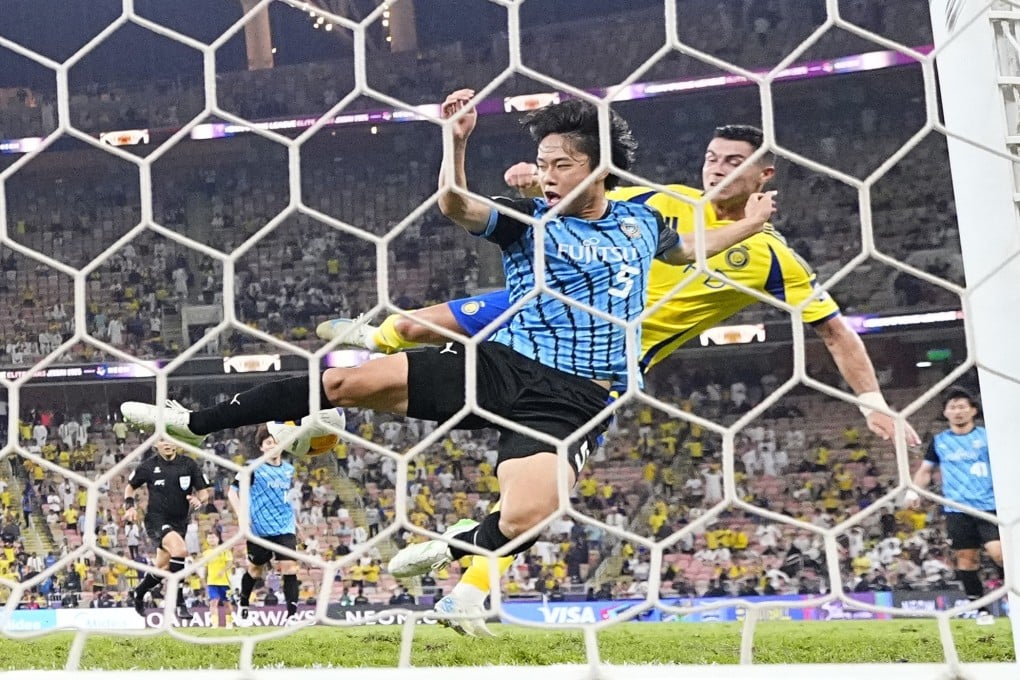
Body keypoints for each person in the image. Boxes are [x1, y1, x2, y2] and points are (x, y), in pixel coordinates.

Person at [120, 92, 771, 589]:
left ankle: (456, 548)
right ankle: (194, 423)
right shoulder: (528, 218)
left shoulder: (639, 222)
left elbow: (688, 249)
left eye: (560, 165)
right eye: (542, 164)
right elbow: (457, 206)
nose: (546, 176)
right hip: (501, 363)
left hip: (570, 398)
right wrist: (455, 142)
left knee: (527, 516)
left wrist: (749, 227)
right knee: (348, 380)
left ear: (598, 168)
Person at [326, 124, 921, 634]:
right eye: (711, 157)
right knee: (415, 325)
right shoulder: (662, 201)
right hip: (544, 309)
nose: (716, 169)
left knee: (538, 499)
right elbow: (587, 196)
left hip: (602, 367)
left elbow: (835, 332)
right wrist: (538, 184)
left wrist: (872, 400)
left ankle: (463, 582)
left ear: (764, 176)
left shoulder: (771, 257)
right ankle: (350, 362)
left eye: (733, 163)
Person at [906, 387, 1000, 625]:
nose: (957, 411)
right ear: (946, 413)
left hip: (989, 506)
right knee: (966, 559)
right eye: (952, 407)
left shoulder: (987, 437)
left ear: (973, 411)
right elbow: (926, 470)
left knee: (1000, 554)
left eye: (962, 406)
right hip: (957, 509)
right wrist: (914, 491)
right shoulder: (940, 442)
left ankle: (1011, 596)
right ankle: (981, 609)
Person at [124, 439, 211, 620]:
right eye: (162, 440)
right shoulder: (149, 466)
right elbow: (130, 487)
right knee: (180, 550)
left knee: (163, 567)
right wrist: (130, 506)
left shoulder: (188, 464)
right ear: (156, 444)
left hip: (180, 521)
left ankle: (139, 593)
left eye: (171, 440)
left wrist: (199, 500)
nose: (167, 444)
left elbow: (204, 493)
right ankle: (179, 603)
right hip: (156, 520)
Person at [228, 424, 304, 626]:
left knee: (290, 567)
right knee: (255, 570)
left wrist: (296, 523)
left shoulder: (289, 470)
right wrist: (241, 516)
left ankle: (292, 615)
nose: (273, 446)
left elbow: (285, 498)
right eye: (268, 442)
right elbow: (232, 492)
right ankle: (243, 603)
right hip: (259, 530)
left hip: (284, 527)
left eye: (276, 442)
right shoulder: (251, 468)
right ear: (262, 447)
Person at [203, 532, 234, 628]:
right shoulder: (206, 553)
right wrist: (204, 579)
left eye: (213, 537)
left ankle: (229, 623)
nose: (211, 539)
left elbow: (229, 563)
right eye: (209, 538)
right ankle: (214, 624)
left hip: (225, 582)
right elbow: (206, 567)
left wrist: (222, 571)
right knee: (213, 602)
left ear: (217, 539)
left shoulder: (225, 550)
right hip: (212, 582)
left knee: (227, 603)